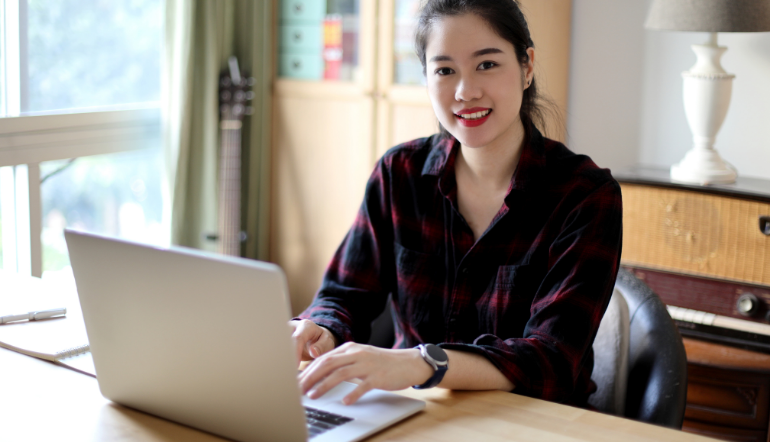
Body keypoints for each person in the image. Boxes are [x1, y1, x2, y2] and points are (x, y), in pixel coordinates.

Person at [290, 0, 623, 408]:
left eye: (487, 64)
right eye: (445, 70)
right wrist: (319, 329)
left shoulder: (585, 195)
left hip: (532, 423)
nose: (466, 92)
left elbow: (551, 359)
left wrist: (421, 363)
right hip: (414, 414)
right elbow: (345, 294)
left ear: (527, 66)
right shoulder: (400, 174)